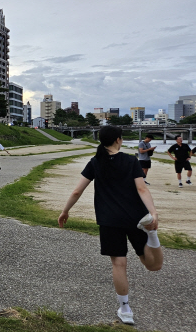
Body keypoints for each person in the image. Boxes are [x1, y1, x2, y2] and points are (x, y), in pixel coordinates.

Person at [58, 126, 163, 325]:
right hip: (136, 218)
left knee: (119, 264)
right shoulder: (130, 160)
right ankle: (152, 235)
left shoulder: (95, 162)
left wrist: (65, 211)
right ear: (118, 140)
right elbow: (141, 188)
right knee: (153, 265)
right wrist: (153, 212)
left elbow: (76, 192)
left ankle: (125, 309)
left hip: (109, 221)